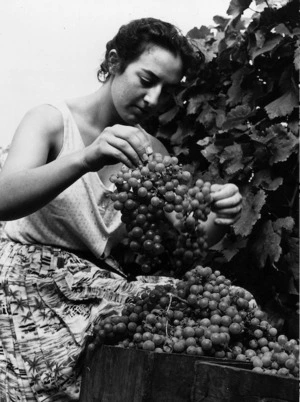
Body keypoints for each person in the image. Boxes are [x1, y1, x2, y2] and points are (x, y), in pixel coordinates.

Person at [0, 17, 242, 401]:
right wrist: (85, 158)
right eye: (147, 80)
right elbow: (2, 200)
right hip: (27, 294)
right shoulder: (50, 121)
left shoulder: (151, 153)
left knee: (202, 308)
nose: (153, 100)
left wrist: (221, 217)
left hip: (95, 293)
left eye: (166, 91)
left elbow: (187, 242)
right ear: (114, 62)